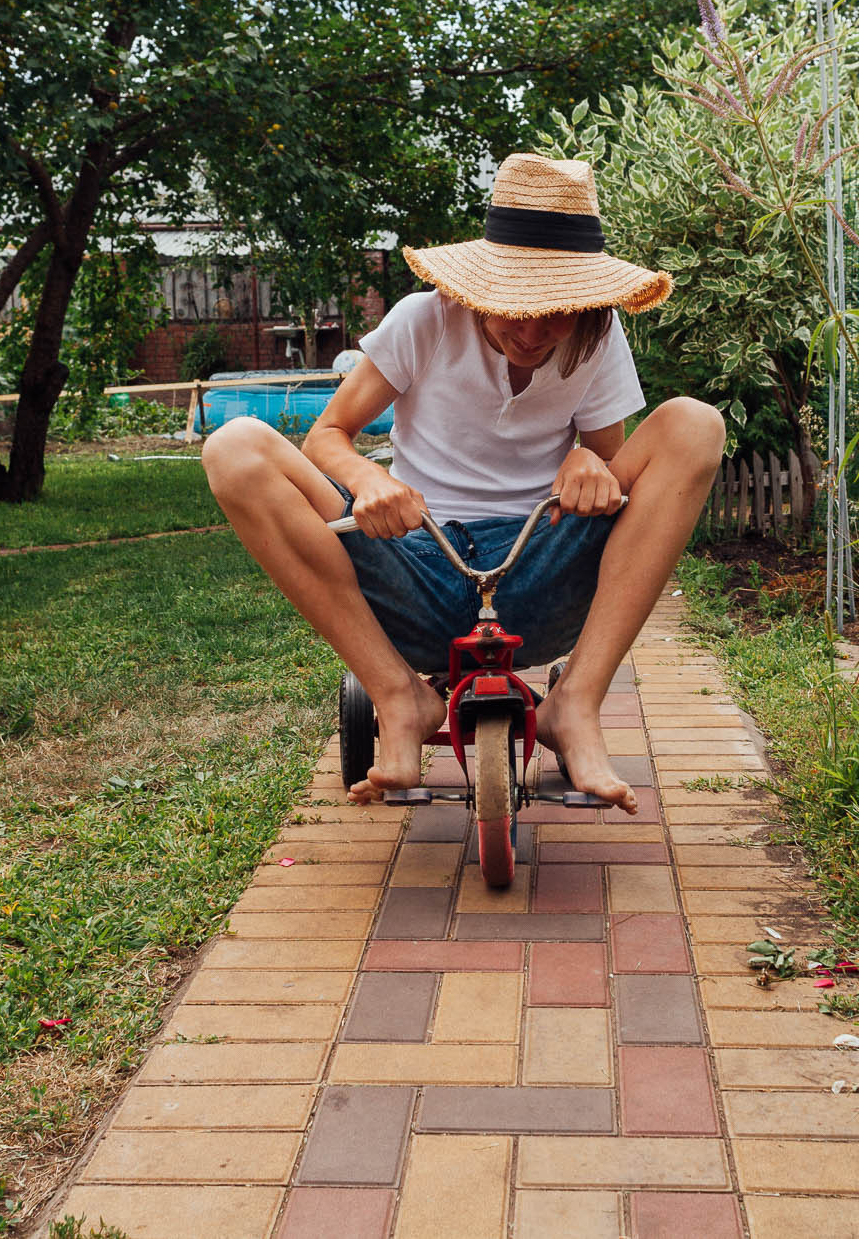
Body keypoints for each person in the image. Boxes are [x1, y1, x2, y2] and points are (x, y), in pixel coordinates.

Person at [202, 153, 725, 812]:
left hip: (541, 563)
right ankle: (398, 694)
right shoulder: (425, 320)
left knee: (694, 425)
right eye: (515, 304)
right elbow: (326, 435)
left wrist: (588, 466)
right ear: (482, 283)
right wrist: (368, 480)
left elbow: (604, 463)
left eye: (557, 309)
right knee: (233, 449)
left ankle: (577, 703)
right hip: (420, 561)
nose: (533, 331)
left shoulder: (597, 334)